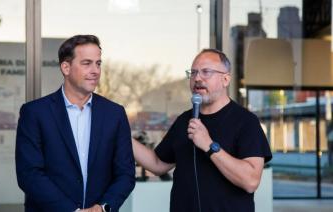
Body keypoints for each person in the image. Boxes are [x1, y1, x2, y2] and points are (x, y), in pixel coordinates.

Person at [133, 49, 272, 212]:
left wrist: (209, 145)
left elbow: (250, 181)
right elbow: (157, 164)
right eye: (193, 73)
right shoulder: (184, 120)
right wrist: (122, 136)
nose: (197, 78)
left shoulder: (246, 121)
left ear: (225, 79)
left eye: (206, 72)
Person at [16, 35, 135, 212]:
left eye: (98, 63)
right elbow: (29, 174)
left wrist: (103, 208)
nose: (95, 70)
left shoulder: (115, 114)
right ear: (66, 67)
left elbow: (125, 174)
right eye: (87, 63)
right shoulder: (34, 113)